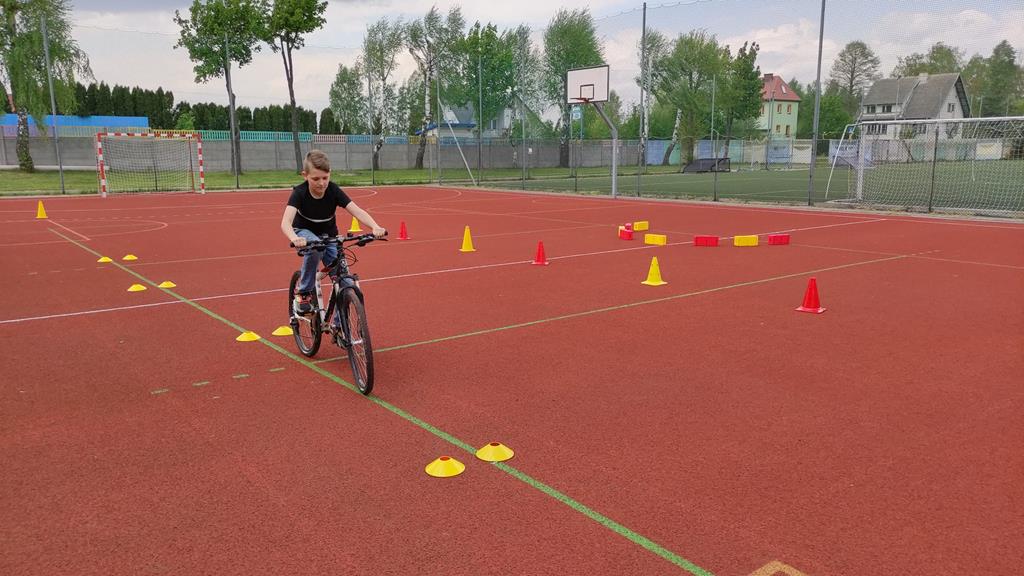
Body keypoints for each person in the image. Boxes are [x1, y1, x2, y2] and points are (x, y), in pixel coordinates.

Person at [281, 150, 386, 314]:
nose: (321, 183)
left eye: (325, 178)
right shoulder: (299, 193)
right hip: (304, 233)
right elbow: (286, 222)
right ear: (305, 175)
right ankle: (304, 292)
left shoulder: (333, 190)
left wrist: (375, 226)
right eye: (315, 179)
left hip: (329, 236)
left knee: (346, 283)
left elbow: (357, 211)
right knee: (316, 248)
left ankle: (339, 324)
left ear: (330, 173)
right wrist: (294, 237)